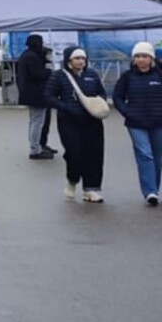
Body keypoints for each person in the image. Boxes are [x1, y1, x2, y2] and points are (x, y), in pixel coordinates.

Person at [47, 45, 108, 203]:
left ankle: (91, 189)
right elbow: (48, 96)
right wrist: (66, 107)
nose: (81, 61)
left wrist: (98, 103)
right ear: (69, 60)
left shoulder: (92, 75)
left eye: (83, 58)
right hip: (69, 122)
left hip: (92, 120)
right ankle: (72, 180)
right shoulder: (59, 76)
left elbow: (101, 92)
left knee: (94, 154)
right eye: (77, 58)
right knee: (75, 153)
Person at [112, 41, 162, 207]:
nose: (141, 59)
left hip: (158, 123)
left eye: (145, 56)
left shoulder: (159, 75)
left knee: (157, 157)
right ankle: (150, 192)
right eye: (138, 56)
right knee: (145, 154)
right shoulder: (127, 77)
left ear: (151, 58)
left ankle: (154, 188)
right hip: (136, 123)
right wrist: (128, 112)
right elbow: (117, 97)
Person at [17, 34, 55, 159]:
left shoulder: (26, 55)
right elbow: (38, 74)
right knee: (37, 122)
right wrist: (49, 71)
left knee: (34, 120)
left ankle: (37, 145)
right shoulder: (32, 57)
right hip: (36, 93)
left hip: (30, 93)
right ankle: (35, 149)